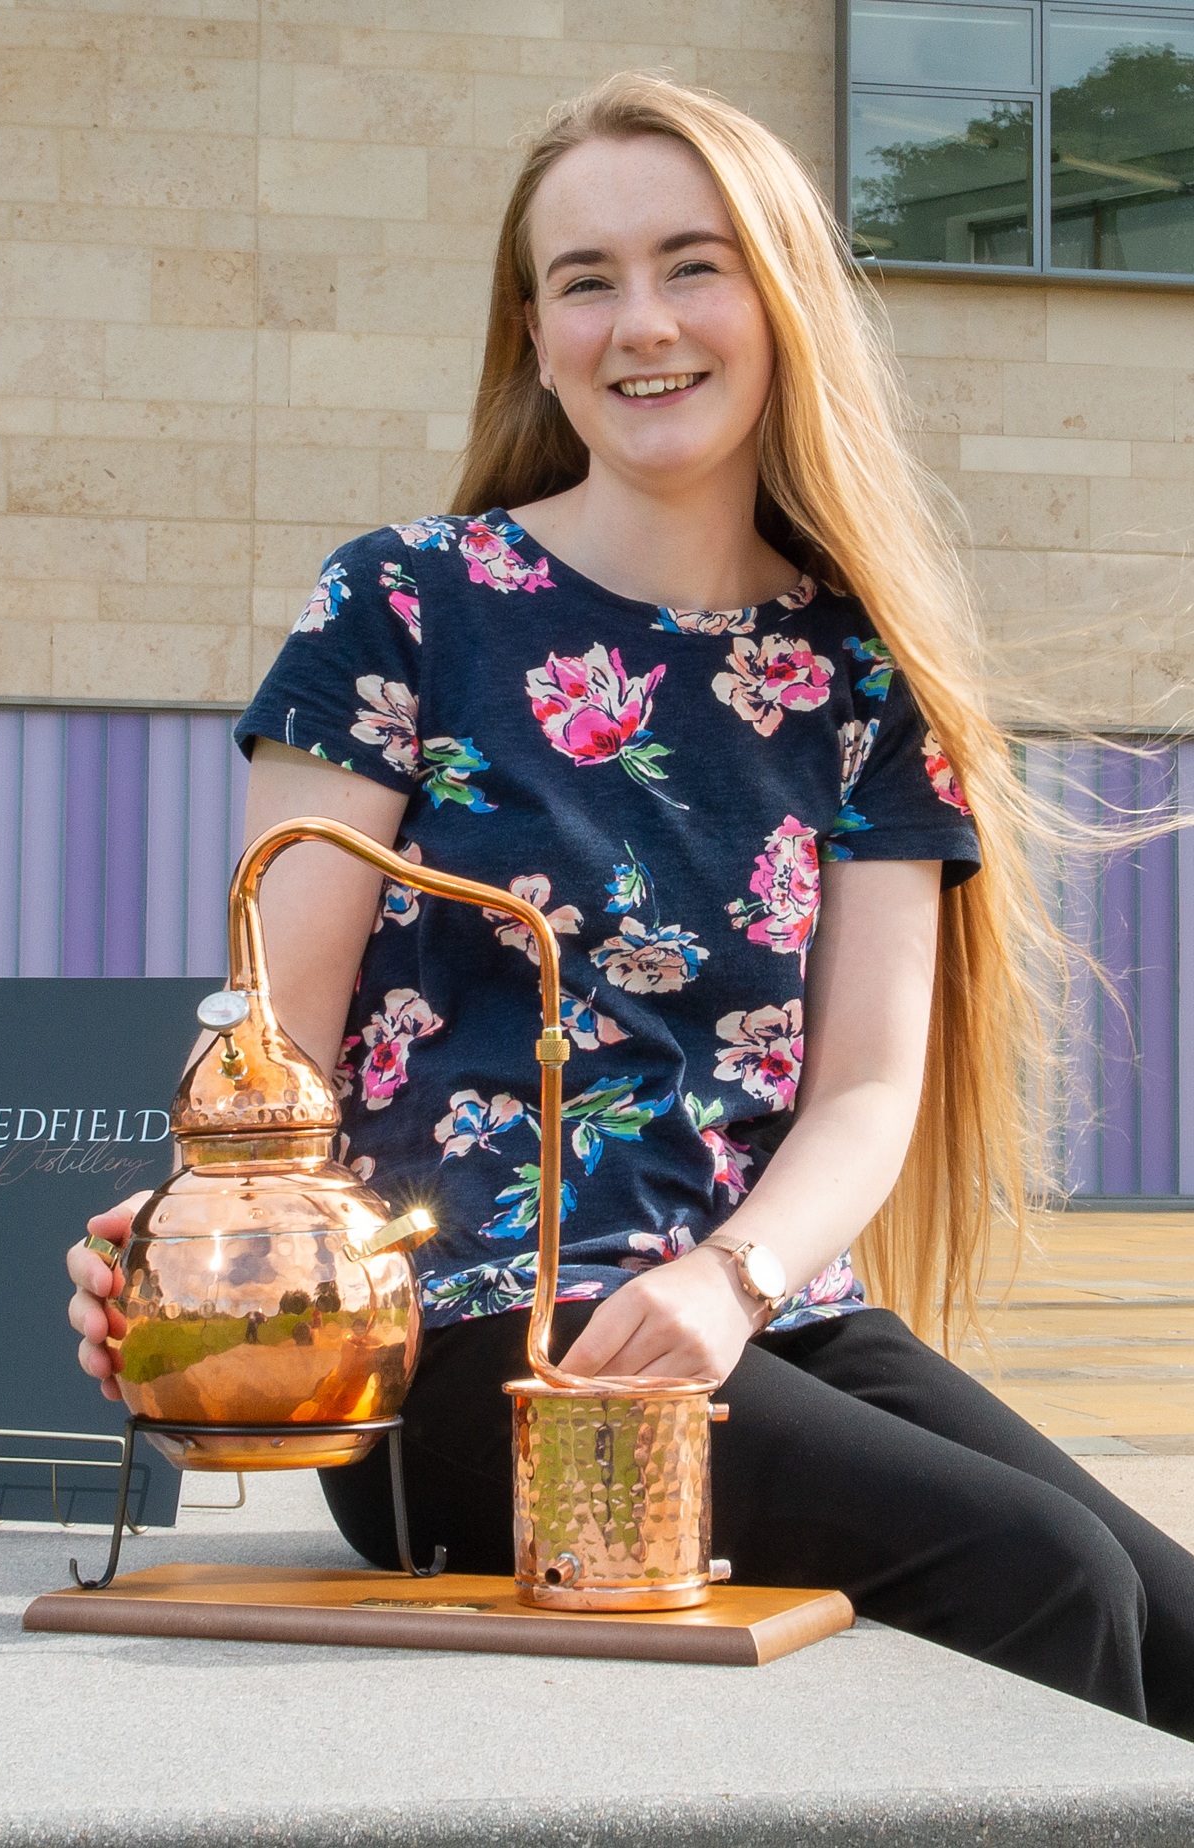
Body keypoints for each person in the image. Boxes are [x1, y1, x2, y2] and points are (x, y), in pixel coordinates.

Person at [66, 73, 1194, 1736]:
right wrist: (179, 1259)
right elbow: (272, 1031)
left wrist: (731, 1282)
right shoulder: (403, 603)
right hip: (474, 1351)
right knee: (1041, 1569)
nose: (641, 321)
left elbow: (870, 1081)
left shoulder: (858, 671)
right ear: (533, 335)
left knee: (1168, 1619)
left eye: (692, 264)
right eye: (585, 279)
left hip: (759, 1309)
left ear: (777, 299)